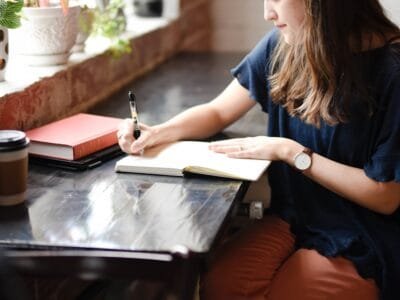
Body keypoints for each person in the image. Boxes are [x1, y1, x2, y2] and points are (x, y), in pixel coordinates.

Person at [117, 0, 400, 299]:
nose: (267, 13)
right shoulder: (285, 43)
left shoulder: (393, 71)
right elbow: (218, 112)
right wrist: (158, 132)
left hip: (368, 234)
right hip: (293, 217)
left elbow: (385, 197)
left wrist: (291, 152)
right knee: (221, 286)